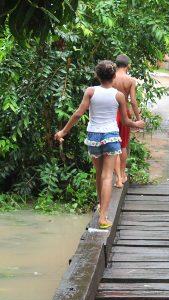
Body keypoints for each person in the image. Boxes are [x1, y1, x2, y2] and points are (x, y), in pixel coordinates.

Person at [55, 60, 145, 228]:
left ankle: (100, 206)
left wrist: (63, 132)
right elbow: (125, 121)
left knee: (99, 174)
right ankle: (103, 217)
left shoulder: (90, 92)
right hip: (111, 136)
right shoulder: (118, 95)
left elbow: (78, 114)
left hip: (94, 136)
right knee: (107, 176)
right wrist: (137, 124)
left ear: (97, 75)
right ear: (113, 76)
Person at [112, 54, 141, 188]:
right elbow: (133, 102)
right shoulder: (130, 80)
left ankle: (116, 175)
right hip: (124, 113)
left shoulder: (110, 77)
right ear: (128, 66)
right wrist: (138, 119)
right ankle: (122, 174)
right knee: (123, 145)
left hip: (111, 113)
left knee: (113, 144)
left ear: (115, 64)